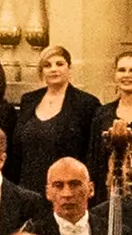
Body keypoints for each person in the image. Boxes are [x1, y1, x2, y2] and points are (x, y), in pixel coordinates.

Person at [10, 50, 102, 192]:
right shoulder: (29, 100)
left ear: (69, 68)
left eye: (59, 64)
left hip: (66, 190)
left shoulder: (86, 103)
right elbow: (17, 150)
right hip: (27, 188)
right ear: (41, 71)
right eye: (47, 65)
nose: (54, 69)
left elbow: (92, 154)